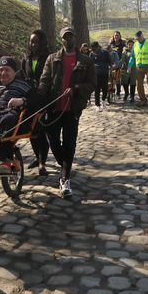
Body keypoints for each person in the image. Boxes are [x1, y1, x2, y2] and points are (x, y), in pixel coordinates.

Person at [39, 27, 96, 198]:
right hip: (54, 107)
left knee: (70, 143)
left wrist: (76, 89)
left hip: (72, 109)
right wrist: (39, 99)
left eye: (70, 36)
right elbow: (44, 80)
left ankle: (65, 178)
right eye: (65, 37)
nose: (68, 39)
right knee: (53, 141)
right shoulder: (52, 59)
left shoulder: (86, 61)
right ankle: (64, 164)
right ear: (61, 40)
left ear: (75, 39)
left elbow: (92, 83)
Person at [19, 29, 51, 175]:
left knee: (41, 130)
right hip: (29, 99)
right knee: (30, 130)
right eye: (31, 41)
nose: (33, 44)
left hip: (43, 99)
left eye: (36, 42)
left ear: (42, 43)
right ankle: (37, 156)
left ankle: (42, 162)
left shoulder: (47, 58)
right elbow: (22, 76)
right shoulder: (26, 59)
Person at [128, 30, 148, 106]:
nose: (137, 40)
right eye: (136, 39)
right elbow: (132, 57)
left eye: (138, 38)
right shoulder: (135, 45)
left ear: (142, 36)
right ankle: (143, 100)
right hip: (139, 68)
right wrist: (129, 66)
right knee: (139, 84)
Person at [89, 41, 112, 111]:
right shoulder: (91, 54)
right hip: (96, 74)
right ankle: (97, 105)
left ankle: (103, 100)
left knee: (105, 88)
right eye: (92, 49)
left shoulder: (105, 52)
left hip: (104, 73)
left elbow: (110, 61)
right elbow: (90, 63)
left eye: (94, 48)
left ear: (98, 47)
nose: (93, 50)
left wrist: (112, 67)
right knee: (97, 89)